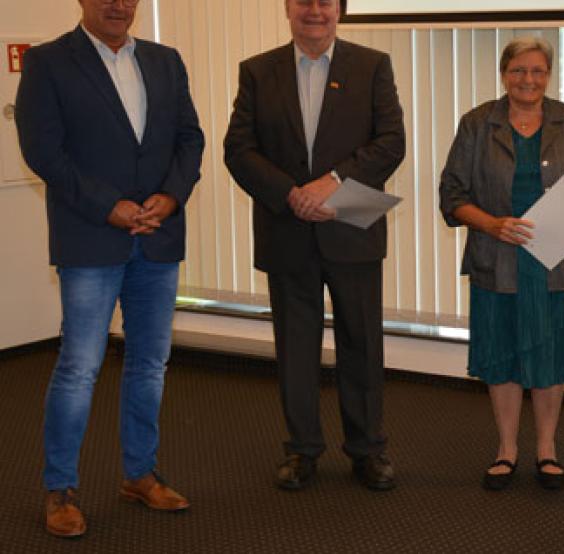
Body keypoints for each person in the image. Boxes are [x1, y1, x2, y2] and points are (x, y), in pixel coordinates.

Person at [14, 0, 204, 538]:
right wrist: (108, 206)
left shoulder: (166, 60)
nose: (119, 4)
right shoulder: (49, 62)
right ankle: (60, 490)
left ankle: (140, 474)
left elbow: (190, 139)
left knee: (150, 364)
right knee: (78, 368)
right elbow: (44, 151)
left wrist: (171, 195)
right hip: (91, 237)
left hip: (158, 235)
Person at [224, 0, 405, 492]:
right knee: (296, 349)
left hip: (351, 226)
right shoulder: (257, 72)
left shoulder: (371, 66)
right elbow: (238, 150)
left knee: (361, 345)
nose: (314, 11)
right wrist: (291, 195)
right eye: (304, 1)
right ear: (288, 8)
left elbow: (391, 142)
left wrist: (333, 182)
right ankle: (302, 450)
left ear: (340, 11)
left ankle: (368, 450)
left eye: (325, 2)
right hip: (288, 230)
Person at [439, 36, 564, 491]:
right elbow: (452, 195)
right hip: (497, 258)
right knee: (502, 355)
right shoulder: (476, 124)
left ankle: (546, 450)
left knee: (548, 357)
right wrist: (491, 225)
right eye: (518, 71)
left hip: (554, 264)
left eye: (538, 71)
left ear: (549, 75)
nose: (528, 79)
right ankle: (506, 449)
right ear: (504, 74)